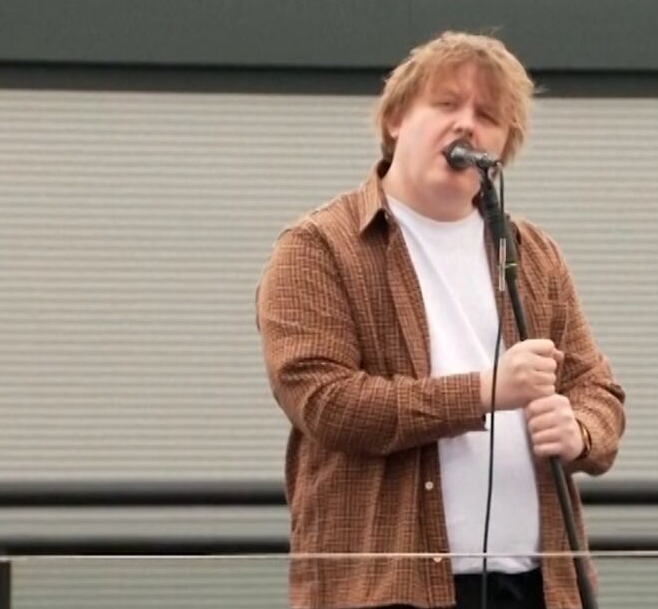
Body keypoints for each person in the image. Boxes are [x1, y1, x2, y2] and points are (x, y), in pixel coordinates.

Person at [256, 30, 626, 609]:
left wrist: (580, 430)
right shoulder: (319, 248)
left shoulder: (533, 253)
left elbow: (597, 389)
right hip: (386, 590)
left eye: (487, 115)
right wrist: (484, 391)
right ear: (398, 117)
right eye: (447, 104)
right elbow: (324, 401)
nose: (466, 125)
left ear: (501, 148)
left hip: (537, 584)